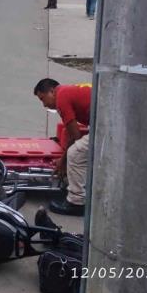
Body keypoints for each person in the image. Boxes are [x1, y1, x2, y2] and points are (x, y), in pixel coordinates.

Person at [33, 79, 91, 216]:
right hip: (104, 118)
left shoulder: (62, 98)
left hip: (106, 122)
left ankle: (76, 202)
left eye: (43, 99)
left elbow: (75, 135)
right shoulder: (68, 91)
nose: (44, 105)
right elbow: (71, 132)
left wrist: (63, 162)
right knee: (80, 149)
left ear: (52, 91)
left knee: (76, 153)